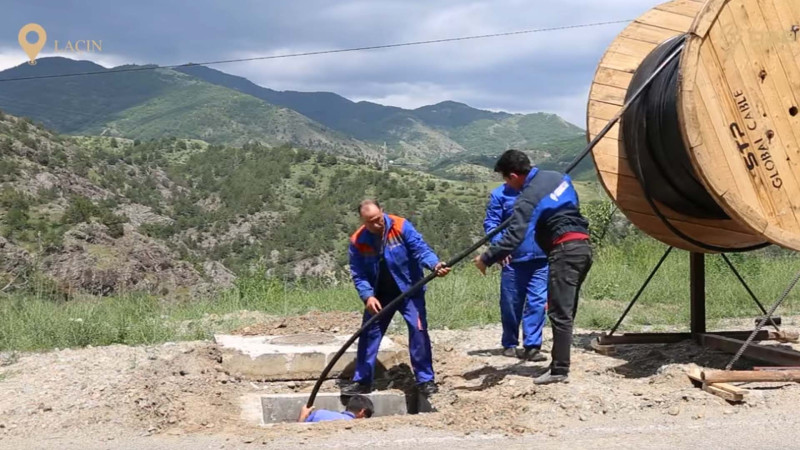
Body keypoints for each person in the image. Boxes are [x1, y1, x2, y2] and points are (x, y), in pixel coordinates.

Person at [474, 150, 593, 385]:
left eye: (507, 180)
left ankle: (559, 370)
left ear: (514, 175)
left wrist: (486, 258)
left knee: (559, 313)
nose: (508, 185)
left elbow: (513, 237)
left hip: (564, 251)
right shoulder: (558, 177)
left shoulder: (527, 198)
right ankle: (557, 364)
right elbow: (572, 204)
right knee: (564, 311)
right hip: (583, 247)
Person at [341, 199, 451, 397]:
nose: (377, 224)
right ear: (362, 221)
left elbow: (420, 249)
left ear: (382, 211)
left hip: (409, 290)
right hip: (379, 295)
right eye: (370, 222)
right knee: (369, 333)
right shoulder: (358, 241)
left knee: (418, 331)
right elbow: (359, 274)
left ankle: (425, 380)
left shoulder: (401, 226)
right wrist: (367, 297)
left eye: (378, 219)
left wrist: (435, 265)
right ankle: (362, 381)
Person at [484, 181, 549, 362]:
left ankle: (532, 346)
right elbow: (492, 224)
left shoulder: (539, 189)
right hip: (512, 259)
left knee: (538, 302)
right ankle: (510, 343)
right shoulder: (500, 195)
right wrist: (500, 248)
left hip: (541, 258)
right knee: (511, 303)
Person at [298, 395, 374, 423]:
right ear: (362, 412)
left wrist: (302, 416)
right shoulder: (354, 425)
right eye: (366, 417)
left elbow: (299, 431)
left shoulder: (319, 413)